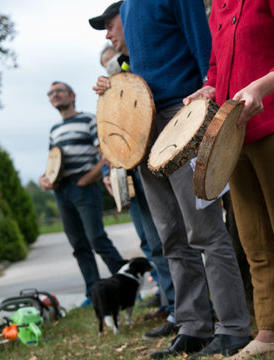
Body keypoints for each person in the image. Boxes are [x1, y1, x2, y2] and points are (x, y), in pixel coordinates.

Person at [90, 0, 252, 360]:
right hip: (143, 126)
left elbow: (205, 50)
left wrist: (209, 103)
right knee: (170, 238)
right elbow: (143, 62)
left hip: (184, 115)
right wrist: (114, 86)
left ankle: (233, 328)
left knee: (206, 231)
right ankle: (193, 326)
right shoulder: (129, 7)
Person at [183, 0, 274, 360]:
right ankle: (268, 334)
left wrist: (260, 87)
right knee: (255, 242)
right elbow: (216, 66)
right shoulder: (217, 6)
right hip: (233, 136)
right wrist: (208, 89)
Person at [90, 7, 179, 336]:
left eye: (109, 26)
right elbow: (112, 128)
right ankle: (172, 305)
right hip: (129, 170)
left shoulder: (148, 58)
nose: (107, 34)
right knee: (151, 243)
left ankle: (184, 307)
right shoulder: (115, 74)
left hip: (156, 155)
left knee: (169, 237)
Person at [39, 81, 125, 307]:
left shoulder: (88, 120)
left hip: (85, 188)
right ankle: (93, 293)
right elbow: (52, 163)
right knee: (78, 244)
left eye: (58, 91)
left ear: (72, 95)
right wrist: (44, 179)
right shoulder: (54, 130)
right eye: (51, 93)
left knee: (97, 238)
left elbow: (104, 154)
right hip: (62, 190)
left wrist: (88, 179)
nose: (54, 95)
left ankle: (126, 283)